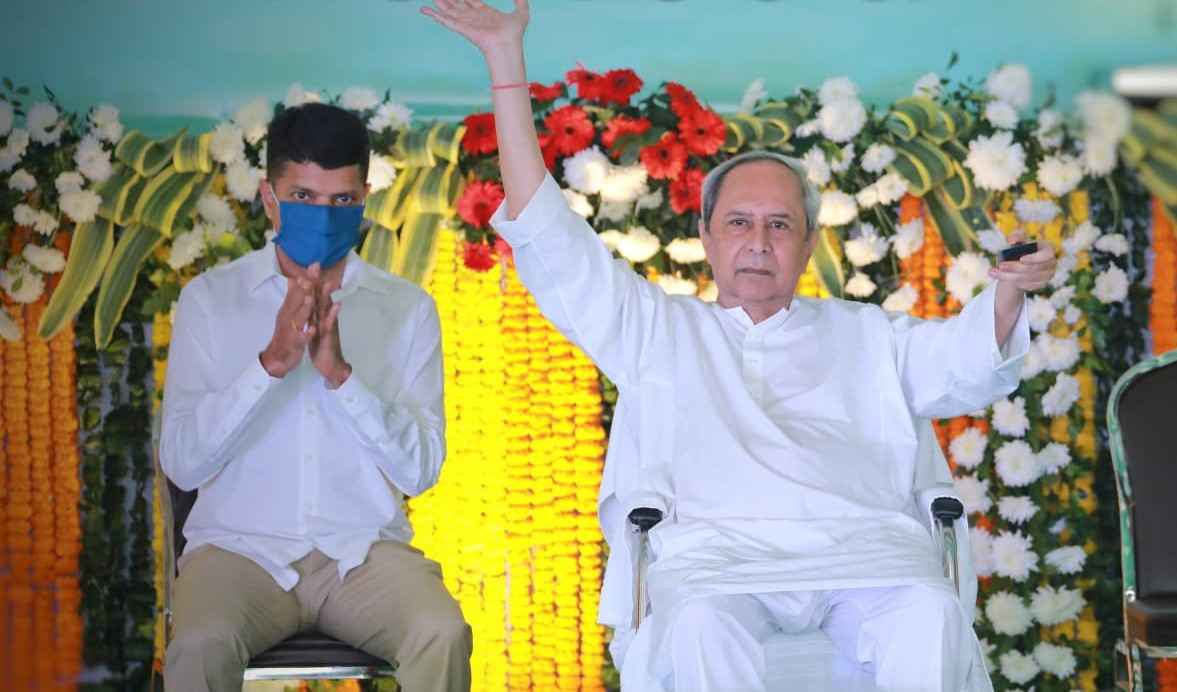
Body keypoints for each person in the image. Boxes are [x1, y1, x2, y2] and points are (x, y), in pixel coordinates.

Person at [424, 1, 1058, 690]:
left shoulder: (867, 333)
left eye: (779, 225)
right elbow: (548, 232)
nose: (758, 242)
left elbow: (963, 360)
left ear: (809, 245)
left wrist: (1007, 294)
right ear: (707, 234)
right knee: (698, 624)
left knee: (930, 615)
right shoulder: (656, 330)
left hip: (864, 553)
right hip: (714, 563)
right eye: (739, 222)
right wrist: (505, 61)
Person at [160, 102, 471, 692]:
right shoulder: (211, 300)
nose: (323, 216)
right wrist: (270, 365)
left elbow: (420, 472)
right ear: (269, 196)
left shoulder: (406, 309)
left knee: (441, 631)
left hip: (361, 555)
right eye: (303, 197)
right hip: (238, 552)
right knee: (200, 644)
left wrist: (341, 377)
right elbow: (182, 463)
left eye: (341, 200)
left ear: (364, 200)